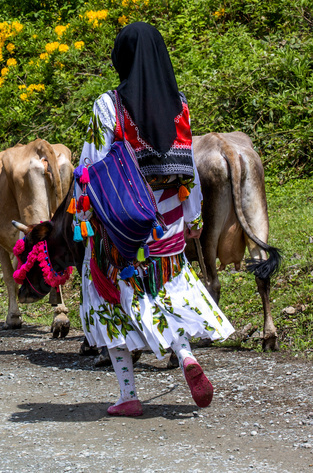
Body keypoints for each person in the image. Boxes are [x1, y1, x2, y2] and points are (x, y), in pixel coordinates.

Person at [78, 22, 233, 417]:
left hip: (123, 227)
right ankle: (185, 358)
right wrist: (192, 216)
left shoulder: (109, 105)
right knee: (166, 291)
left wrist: (82, 214)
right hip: (169, 227)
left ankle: (128, 394)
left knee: (107, 295)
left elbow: (91, 166)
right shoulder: (180, 104)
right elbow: (190, 173)